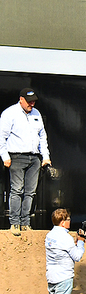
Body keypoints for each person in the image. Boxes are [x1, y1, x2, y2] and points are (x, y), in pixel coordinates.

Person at [18, 209, 86, 294]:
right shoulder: (65, 238)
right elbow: (77, 256)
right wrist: (80, 242)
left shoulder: (50, 235)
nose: (69, 221)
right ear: (62, 223)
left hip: (52, 275)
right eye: (67, 219)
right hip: (64, 276)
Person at [0, 88, 51, 236]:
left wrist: (45, 156)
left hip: (34, 158)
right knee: (17, 190)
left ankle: (25, 223)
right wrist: (5, 157)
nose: (32, 104)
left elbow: (42, 136)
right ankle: (15, 223)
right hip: (16, 156)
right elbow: (1, 136)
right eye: (29, 101)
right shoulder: (9, 114)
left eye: (33, 101)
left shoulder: (36, 114)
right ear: (21, 99)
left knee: (30, 192)